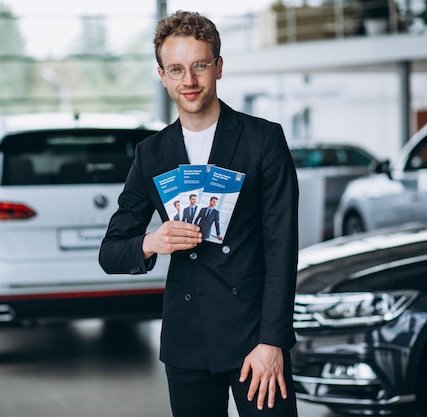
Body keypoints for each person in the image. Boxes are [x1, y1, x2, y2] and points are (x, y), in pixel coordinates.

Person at [99, 10, 299, 417]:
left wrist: (272, 341)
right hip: (187, 341)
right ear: (162, 75)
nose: (188, 81)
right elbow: (111, 252)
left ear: (218, 67)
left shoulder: (263, 140)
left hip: (254, 338)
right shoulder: (151, 154)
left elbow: (282, 248)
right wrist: (153, 242)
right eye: (176, 69)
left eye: (199, 66)